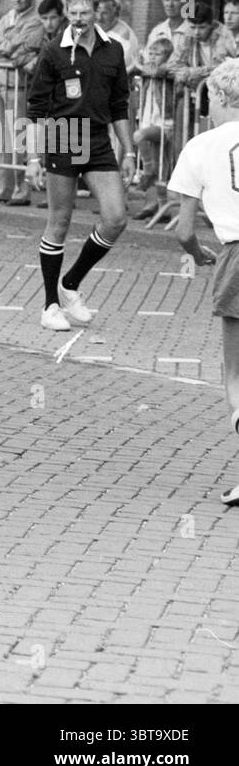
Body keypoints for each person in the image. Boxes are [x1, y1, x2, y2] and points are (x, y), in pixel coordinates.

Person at [24, 0, 133, 332]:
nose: (80, 20)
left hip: (98, 139)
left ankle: (70, 284)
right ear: (68, 13)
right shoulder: (54, 52)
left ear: (96, 12)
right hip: (63, 135)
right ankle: (50, 306)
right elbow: (37, 108)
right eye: (74, 14)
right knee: (60, 220)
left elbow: (119, 105)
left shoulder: (113, 50)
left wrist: (128, 150)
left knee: (116, 218)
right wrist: (32, 157)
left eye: (85, 14)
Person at [165, 57, 239, 506]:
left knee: (237, 375)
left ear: (221, 96)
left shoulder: (201, 146)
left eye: (208, 97)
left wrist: (197, 255)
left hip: (236, 255)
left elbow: (184, 231)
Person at [0, 0, 45, 205]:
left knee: (19, 136)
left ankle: (21, 189)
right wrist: (6, 48)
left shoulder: (35, 21)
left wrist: (3, 46)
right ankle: (1, 188)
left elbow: (23, 47)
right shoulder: (6, 17)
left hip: (18, 85)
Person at [129, 37, 175, 220]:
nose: (153, 57)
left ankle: (147, 171)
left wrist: (138, 64)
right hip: (149, 121)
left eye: (158, 54)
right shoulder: (146, 73)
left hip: (165, 123)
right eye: (151, 53)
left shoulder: (167, 70)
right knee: (159, 164)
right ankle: (160, 207)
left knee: (139, 136)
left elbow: (157, 72)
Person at [96, 0, 139, 72]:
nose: (99, 18)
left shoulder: (124, 36)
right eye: (97, 11)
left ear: (115, 13)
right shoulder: (98, 30)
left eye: (105, 13)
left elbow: (121, 69)